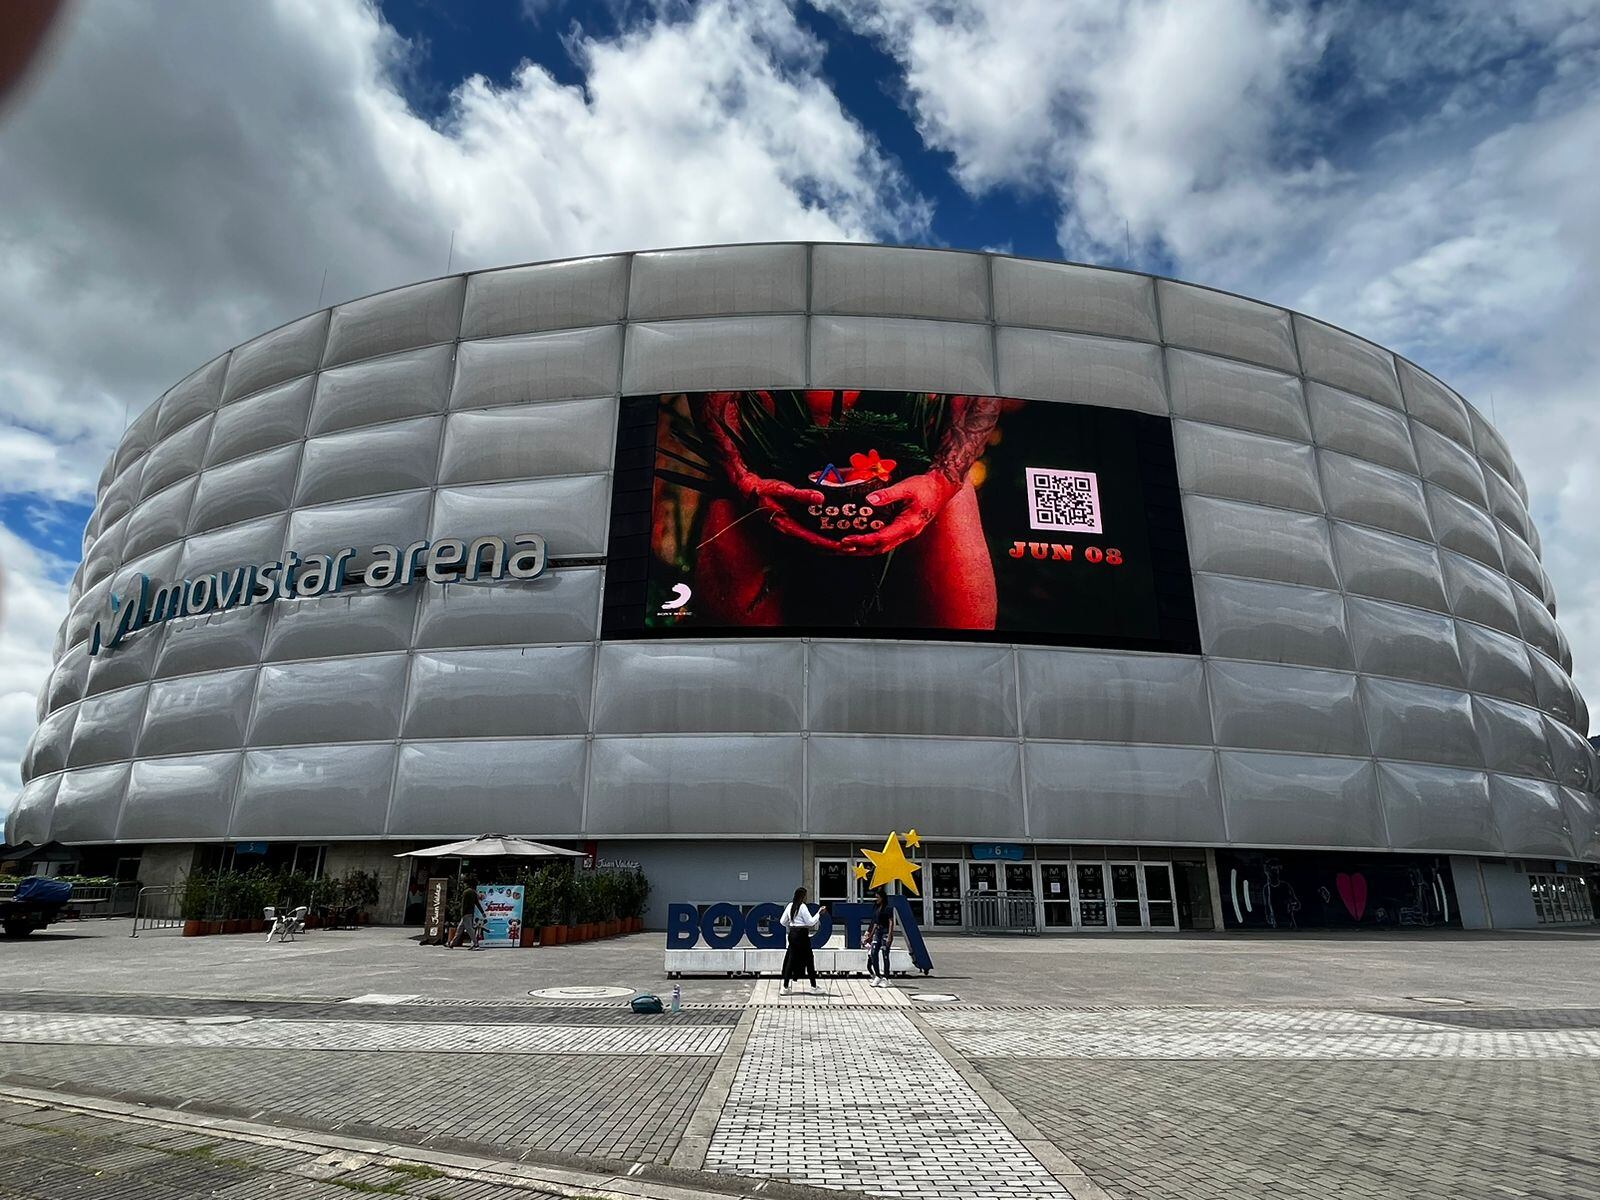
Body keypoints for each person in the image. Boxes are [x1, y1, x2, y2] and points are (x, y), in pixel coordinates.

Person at [690, 391, 1007, 629]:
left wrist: (943, 479)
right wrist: (741, 476)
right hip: (761, 471)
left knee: (960, 648)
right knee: (740, 660)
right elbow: (717, 367)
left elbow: (976, 379)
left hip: (924, 475)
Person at [778, 886, 822, 995]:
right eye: (806, 895)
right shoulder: (802, 907)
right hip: (802, 935)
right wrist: (819, 913)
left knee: (791, 959)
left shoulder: (790, 906)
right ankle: (813, 986)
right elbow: (810, 922)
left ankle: (785, 987)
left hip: (792, 934)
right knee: (809, 959)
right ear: (803, 896)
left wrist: (792, 925)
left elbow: (782, 921)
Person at [866, 890, 896, 988]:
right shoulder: (876, 908)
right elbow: (875, 923)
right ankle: (878, 976)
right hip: (878, 932)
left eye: (877, 897)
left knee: (885, 954)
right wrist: (870, 936)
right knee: (873, 953)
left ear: (882, 898)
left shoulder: (888, 908)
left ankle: (886, 978)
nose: (876, 899)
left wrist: (890, 935)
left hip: (885, 932)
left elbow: (891, 922)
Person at [450, 878, 486, 950]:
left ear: (467, 884)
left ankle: (476, 944)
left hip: (466, 913)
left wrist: (462, 913)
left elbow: (464, 904)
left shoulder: (466, 892)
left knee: (469, 929)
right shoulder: (474, 893)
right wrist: (482, 912)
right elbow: (477, 903)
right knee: (459, 929)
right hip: (470, 913)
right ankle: (451, 943)